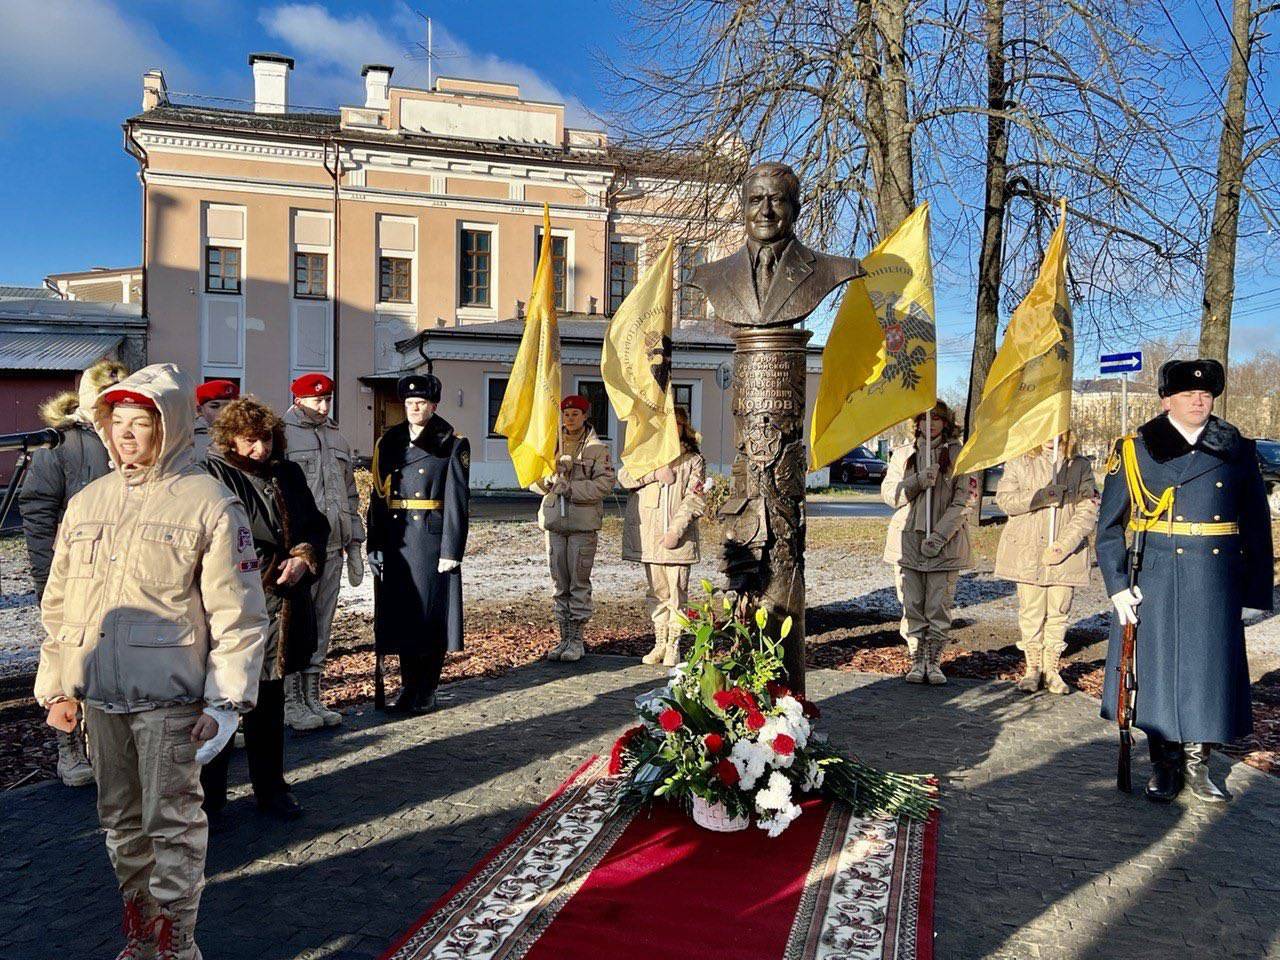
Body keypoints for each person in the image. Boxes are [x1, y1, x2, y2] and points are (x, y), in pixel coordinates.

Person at [34, 363, 269, 960]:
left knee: (173, 826)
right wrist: (58, 687)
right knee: (120, 824)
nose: (127, 436)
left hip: (170, 702)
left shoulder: (209, 502)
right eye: (117, 424)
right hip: (101, 700)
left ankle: (175, 944)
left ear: (171, 427)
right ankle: (140, 933)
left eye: (142, 423)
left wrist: (226, 701)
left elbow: (237, 614)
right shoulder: (88, 502)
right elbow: (59, 603)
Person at [1098, 358, 1273, 804]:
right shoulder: (1137, 450)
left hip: (1214, 577)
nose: (1198, 400)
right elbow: (1110, 528)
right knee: (1158, 673)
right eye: (1188, 394)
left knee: (1207, 674)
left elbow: (1255, 523)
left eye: (1206, 394)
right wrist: (1117, 585)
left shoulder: (1236, 449)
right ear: (1166, 400)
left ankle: (1200, 766)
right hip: (1155, 576)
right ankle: (1165, 766)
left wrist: (1255, 590)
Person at [202, 397, 329, 820]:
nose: (261, 449)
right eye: (251, 441)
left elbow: (314, 523)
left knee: (269, 702)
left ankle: (271, 789)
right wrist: (274, 564)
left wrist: (305, 557)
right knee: (222, 702)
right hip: (231, 607)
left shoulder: (286, 472)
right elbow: (221, 538)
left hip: (281, 606)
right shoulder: (213, 475)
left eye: (267, 439)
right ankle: (210, 799)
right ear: (231, 440)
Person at [19, 357, 127, 787]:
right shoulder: (61, 444)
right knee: (67, 660)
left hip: (122, 576)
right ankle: (69, 749)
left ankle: (107, 745)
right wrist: (48, 577)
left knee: (111, 660)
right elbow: (37, 510)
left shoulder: (130, 437)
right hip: (73, 574)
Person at [367, 370, 470, 714]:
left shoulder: (450, 443)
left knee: (429, 618)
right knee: (404, 616)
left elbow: (457, 500)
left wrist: (451, 550)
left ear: (433, 405)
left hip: (429, 539)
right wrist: (374, 544)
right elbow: (378, 499)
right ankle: (409, 688)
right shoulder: (390, 441)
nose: (414, 408)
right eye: (409, 402)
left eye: (421, 402)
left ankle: (426, 688)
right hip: (397, 540)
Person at [282, 373, 365, 730]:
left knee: (322, 623)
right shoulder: (282, 435)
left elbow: (349, 495)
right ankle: (290, 701)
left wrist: (356, 543)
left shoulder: (337, 438)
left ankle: (313, 695)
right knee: (296, 624)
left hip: (333, 547)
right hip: (300, 550)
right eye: (316, 400)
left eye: (328, 399)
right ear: (298, 399)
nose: (323, 405)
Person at [881, 401, 979, 685]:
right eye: (925, 419)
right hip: (908, 542)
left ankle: (933, 660)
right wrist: (916, 482)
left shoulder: (961, 456)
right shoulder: (903, 454)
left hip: (945, 544)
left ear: (946, 423)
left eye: (937, 418)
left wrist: (938, 537)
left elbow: (965, 501)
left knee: (938, 605)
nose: (931, 423)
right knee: (911, 604)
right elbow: (890, 495)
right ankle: (916, 658)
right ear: (918, 424)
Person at [995, 431, 1099, 694]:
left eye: (1057, 431)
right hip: (1027, 552)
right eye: (1045, 431)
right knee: (1031, 612)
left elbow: (1088, 509)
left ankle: (1051, 670)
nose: (1051, 437)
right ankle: (1032, 669)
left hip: (1064, 553)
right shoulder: (1019, 461)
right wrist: (1040, 497)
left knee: (1058, 612)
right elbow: (1005, 501)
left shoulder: (1079, 465)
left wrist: (1064, 544)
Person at [531, 395, 617, 662]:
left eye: (575, 414)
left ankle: (577, 640)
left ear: (584, 416)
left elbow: (604, 484)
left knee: (578, 582)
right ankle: (563, 637)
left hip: (581, 525)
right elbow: (531, 478)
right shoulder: (550, 445)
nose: (569, 419)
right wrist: (545, 481)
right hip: (555, 522)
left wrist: (573, 489)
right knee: (559, 583)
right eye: (566, 414)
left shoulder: (596, 449)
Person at [619, 406, 706, 667]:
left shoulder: (693, 460)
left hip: (677, 540)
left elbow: (695, 499)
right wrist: (653, 474)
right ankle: (659, 642)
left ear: (683, 428)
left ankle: (673, 645)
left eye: (677, 424)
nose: (672, 429)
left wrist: (675, 531)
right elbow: (624, 476)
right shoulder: (648, 454)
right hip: (649, 536)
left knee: (676, 594)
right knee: (656, 593)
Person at [193, 379, 238, 463]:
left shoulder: (244, 435)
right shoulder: (189, 439)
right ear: (199, 410)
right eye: (214, 406)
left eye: (230, 406)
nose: (223, 411)